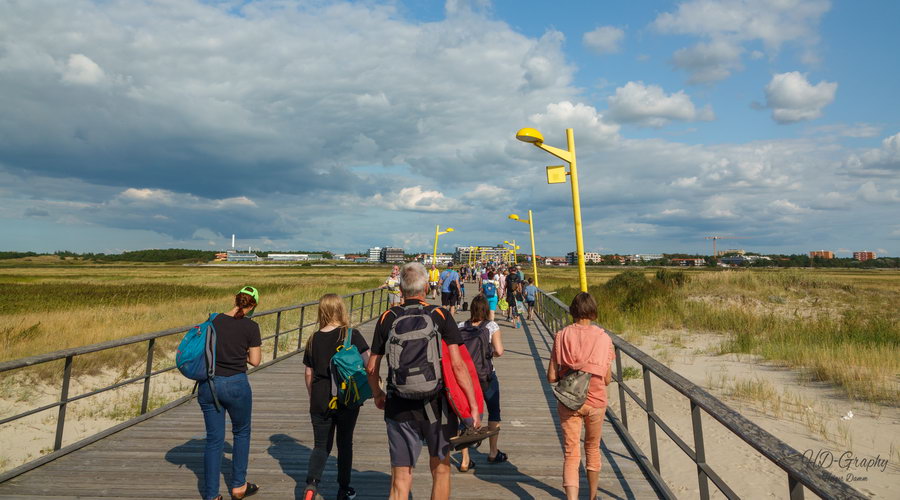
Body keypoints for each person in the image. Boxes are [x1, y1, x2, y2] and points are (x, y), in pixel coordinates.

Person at [366, 262, 481, 500]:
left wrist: (377, 393)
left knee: (401, 477)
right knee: (440, 469)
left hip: (399, 404)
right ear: (426, 288)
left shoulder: (388, 317)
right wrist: (472, 406)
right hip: (437, 405)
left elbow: (371, 366)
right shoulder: (440, 315)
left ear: (401, 287)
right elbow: (458, 366)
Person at [546, 293, 615, 500]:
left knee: (571, 452)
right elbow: (607, 379)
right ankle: (593, 496)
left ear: (573, 310)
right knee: (593, 448)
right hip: (595, 401)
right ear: (593, 310)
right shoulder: (604, 338)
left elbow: (551, 376)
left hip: (569, 401)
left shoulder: (562, 335)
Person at [302, 294, 370, 500]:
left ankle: (311, 486)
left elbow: (308, 373)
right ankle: (343, 489)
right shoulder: (351, 334)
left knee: (320, 445)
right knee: (344, 443)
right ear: (341, 310)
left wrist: (313, 396)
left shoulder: (313, 338)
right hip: (346, 397)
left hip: (321, 398)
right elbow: (368, 364)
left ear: (321, 311)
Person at [200, 286, 262, 500]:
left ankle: (210, 495)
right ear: (252, 305)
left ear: (235, 300)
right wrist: (241, 353)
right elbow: (255, 360)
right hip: (236, 384)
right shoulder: (251, 327)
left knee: (213, 440)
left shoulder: (213, 321)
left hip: (209, 385)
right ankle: (238, 486)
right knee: (241, 433)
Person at [456, 295, 506, 472]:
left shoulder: (460, 326)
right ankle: (493, 452)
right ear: (486, 309)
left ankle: (464, 460)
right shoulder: (491, 326)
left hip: (465, 378)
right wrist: (488, 352)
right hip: (486, 376)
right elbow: (499, 351)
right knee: (494, 412)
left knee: (466, 415)